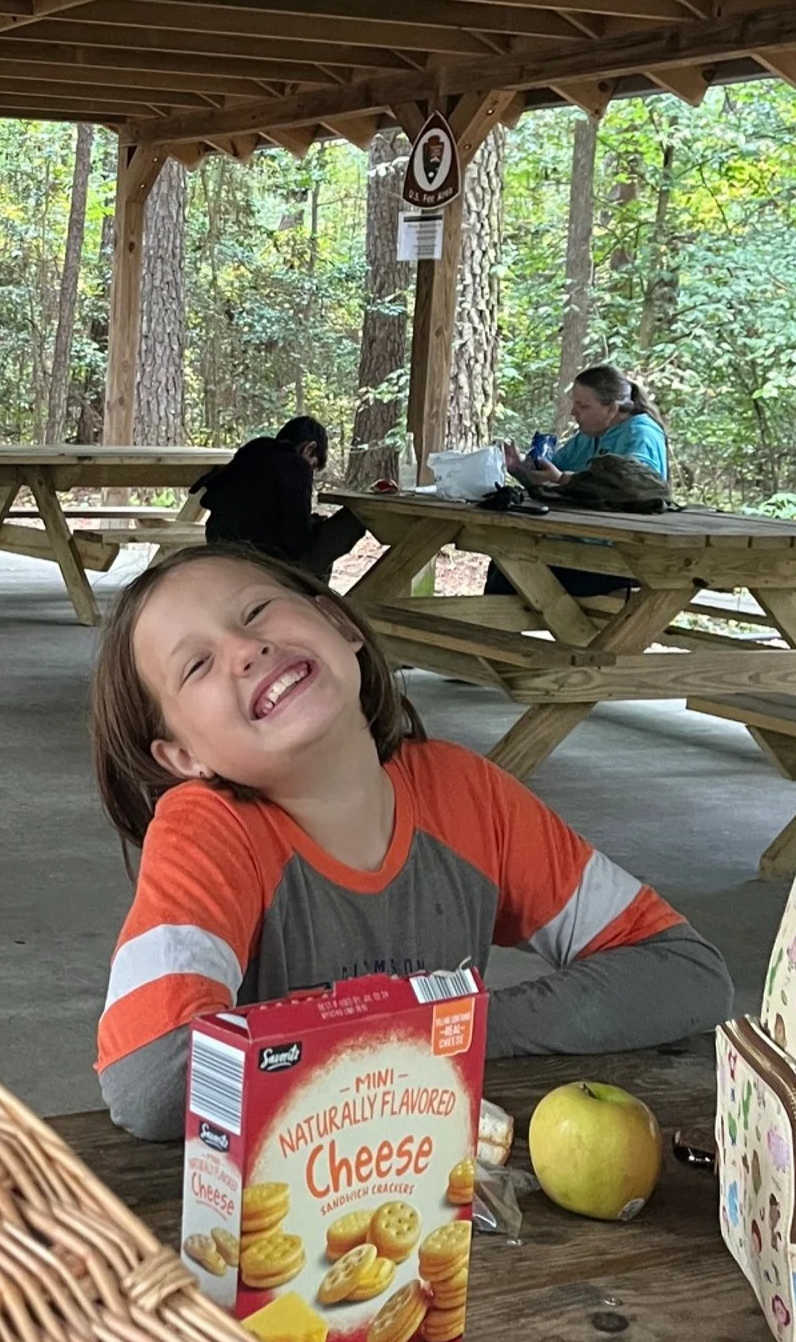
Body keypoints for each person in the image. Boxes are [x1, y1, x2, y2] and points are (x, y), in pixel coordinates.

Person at [88, 544, 733, 1141]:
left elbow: (685, 973)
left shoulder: (466, 793)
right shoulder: (207, 829)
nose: (246, 647)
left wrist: (455, 1030)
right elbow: (153, 1077)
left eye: (256, 610)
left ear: (338, 623)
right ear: (183, 755)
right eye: (197, 664)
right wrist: (426, 1033)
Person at [488, 364, 670, 599]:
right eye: (574, 403)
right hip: (582, 548)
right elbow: (554, 472)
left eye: (583, 406)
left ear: (612, 408)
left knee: (511, 573)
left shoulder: (641, 434)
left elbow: (634, 488)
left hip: (622, 559)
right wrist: (523, 468)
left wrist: (564, 479)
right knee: (503, 561)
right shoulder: (589, 435)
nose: (574, 412)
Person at [193, 415, 364, 581]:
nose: (310, 471)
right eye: (313, 465)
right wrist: (315, 526)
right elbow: (299, 541)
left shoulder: (251, 452)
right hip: (267, 563)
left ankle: (310, 594)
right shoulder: (296, 466)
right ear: (309, 449)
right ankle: (306, 595)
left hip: (222, 551)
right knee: (352, 520)